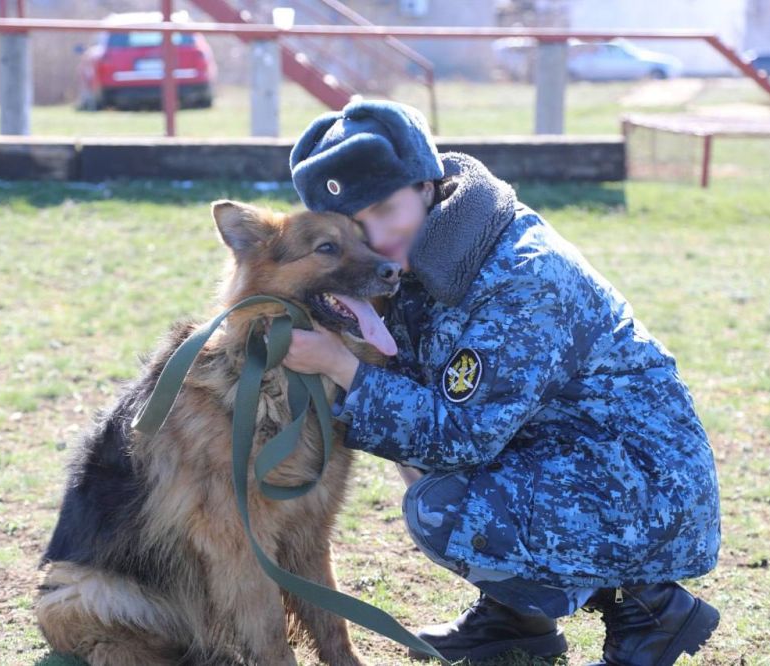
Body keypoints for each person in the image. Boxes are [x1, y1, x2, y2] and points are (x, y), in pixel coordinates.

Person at [281, 99, 721, 666]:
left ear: (428, 185)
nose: (378, 238)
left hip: (645, 487)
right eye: (356, 227)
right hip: (565, 456)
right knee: (408, 435)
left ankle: (651, 610)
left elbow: (458, 435)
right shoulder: (422, 254)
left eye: (387, 209)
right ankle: (516, 619)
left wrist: (340, 366)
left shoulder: (520, 276)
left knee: (444, 506)